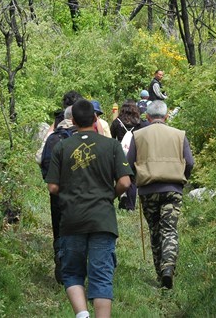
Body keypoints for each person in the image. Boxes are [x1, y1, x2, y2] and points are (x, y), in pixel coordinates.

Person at [46, 99, 133, 318]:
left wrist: (70, 194)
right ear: (95, 119)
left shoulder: (62, 147)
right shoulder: (111, 146)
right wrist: (107, 196)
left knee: (73, 272)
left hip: (72, 219)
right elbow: (125, 183)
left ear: (73, 121)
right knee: (101, 275)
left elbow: (53, 186)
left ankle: (82, 314)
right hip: (102, 219)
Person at [126, 100, 194, 290]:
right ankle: (168, 268)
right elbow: (189, 162)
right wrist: (182, 179)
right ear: (166, 116)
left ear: (146, 117)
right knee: (169, 229)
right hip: (173, 189)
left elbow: (128, 163)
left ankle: (160, 273)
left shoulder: (138, 135)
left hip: (148, 190)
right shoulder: (179, 135)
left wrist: (135, 180)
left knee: (155, 230)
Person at [39, 106, 77, 284]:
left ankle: (59, 255)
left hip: (56, 191)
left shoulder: (53, 137)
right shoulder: (80, 137)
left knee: (58, 226)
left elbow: (41, 159)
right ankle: (72, 266)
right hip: (77, 192)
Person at [109, 100, 148, 211]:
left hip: (120, 153)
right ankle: (130, 205)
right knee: (133, 178)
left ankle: (122, 199)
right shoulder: (139, 123)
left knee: (121, 176)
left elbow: (112, 138)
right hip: (135, 152)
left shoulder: (117, 122)